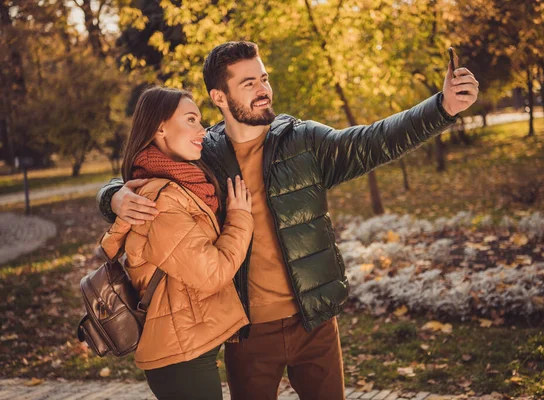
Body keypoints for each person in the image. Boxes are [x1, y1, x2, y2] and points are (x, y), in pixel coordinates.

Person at [97, 41, 479, 400]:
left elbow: (373, 141)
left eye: (264, 78)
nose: (263, 88)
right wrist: (113, 194)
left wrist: (441, 107)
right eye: (248, 83)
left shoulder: (304, 142)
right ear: (219, 97)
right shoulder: (201, 156)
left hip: (314, 322)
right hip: (245, 331)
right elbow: (147, 169)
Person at [99, 86, 253, 400]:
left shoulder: (182, 183)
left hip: (186, 344)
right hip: (180, 355)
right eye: (191, 120)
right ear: (160, 128)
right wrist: (240, 217)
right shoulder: (163, 200)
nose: (202, 130)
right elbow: (212, 274)